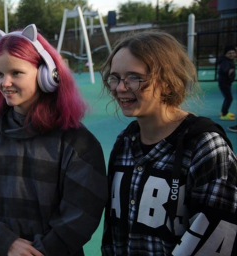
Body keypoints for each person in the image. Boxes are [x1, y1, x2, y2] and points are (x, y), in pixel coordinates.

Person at [0, 24, 108, 256]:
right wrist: (5, 243)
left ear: (48, 75)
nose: (5, 83)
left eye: (16, 73)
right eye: (0, 74)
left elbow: (82, 213)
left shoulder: (77, 142)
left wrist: (39, 251)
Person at [100, 31, 237, 255]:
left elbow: (217, 242)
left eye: (133, 77)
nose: (120, 88)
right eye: (115, 77)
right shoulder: (124, 143)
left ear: (167, 81)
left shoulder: (205, 148)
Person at [218, 46, 236, 129]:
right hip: (224, 83)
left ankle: (223, 112)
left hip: (226, 83)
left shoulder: (229, 60)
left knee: (227, 98)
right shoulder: (225, 61)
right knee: (229, 98)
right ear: (225, 54)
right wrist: (229, 71)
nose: (231, 54)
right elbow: (225, 68)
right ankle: (224, 114)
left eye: (233, 53)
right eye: (229, 53)